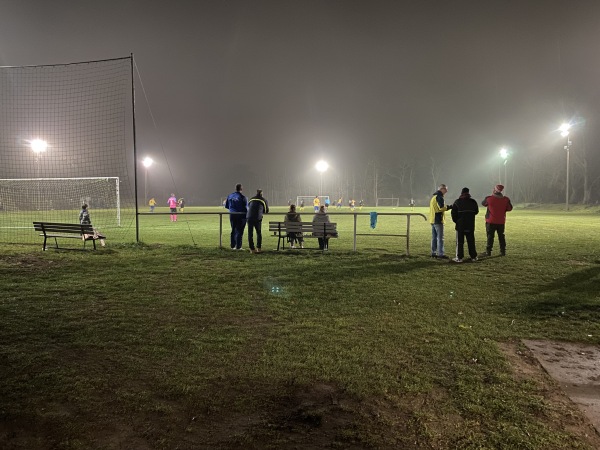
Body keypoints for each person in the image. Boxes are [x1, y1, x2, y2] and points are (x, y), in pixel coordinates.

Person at [481, 184, 513, 256]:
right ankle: (502, 251)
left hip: (490, 221)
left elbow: (483, 203)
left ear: (494, 190)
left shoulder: (489, 198)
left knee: (490, 236)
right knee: (501, 236)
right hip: (501, 221)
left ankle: (488, 251)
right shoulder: (506, 199)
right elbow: (509, 208)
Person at [450, 187, 479, 263]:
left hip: (460, 225)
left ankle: (459, 257)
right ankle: (473, 257)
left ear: (461, 193)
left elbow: (453, 214)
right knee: (471, 241)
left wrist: (457, 221)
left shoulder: (457, 202)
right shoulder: (473, 202)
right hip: (470, 225)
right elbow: (476, 212)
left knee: (459, 242)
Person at [429, 184, 452, 259]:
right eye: (446, 189)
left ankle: (433, 252)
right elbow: (441, 208)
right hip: (438, 220)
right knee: (440, 238)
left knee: (434, 238)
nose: (447, 190)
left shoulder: (434, 197)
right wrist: (449, 207)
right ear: (442, 189)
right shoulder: (439, 197)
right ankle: (441, 254)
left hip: (433, 220)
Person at [225, 183, 248, 250]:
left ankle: (232, 245)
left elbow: (227, 206)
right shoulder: (242, 197)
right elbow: (246, 207)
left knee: (233, 230)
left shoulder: (230, 196)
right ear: (241, 189)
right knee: (240, 230)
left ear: (235, 188)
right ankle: (238, 246)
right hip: (240, 215)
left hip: (232, 214)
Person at [246, 189, 269, 254]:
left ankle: (252, 249)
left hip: (249, 217)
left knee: (250, 234)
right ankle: (258, 248)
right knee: (258, 233)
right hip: (257, 218)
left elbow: (248, 207)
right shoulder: (263, 200)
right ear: (261, 193)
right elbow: (266, 211)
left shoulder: (251, 199)